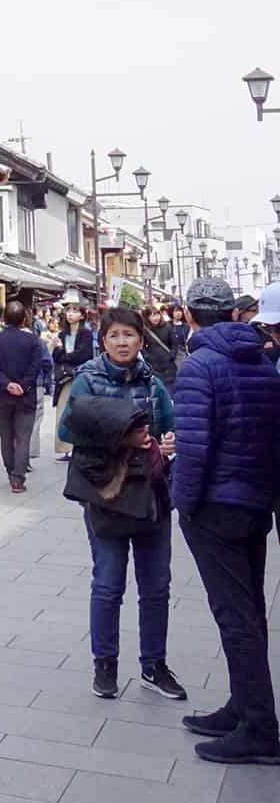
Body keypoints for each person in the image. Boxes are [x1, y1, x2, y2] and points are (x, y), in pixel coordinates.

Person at [172, 275, 280, 765]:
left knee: (235, 616)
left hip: (215, 504)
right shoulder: (262, 362)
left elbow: (193, 450)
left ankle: (259, 726)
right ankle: (243, 705)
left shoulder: (200, 366)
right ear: (235, 315)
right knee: (249, 609)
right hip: (255, 501)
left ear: (191, 315)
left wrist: (183, 503)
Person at [60, 307, 183, 702]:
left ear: (141, 339)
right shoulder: (87, 380)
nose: (122, 343)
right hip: (106, 493)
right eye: (114, 336)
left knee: (156, 586)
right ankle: (106, 663)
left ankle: (154, 665)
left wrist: (170, 441)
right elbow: (68, 429)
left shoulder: (153, 382)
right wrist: (123, 435)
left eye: (129, 335)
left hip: (150, 493)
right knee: (109, 583)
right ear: (103, 340)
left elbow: (170, 424)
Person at [0, 301, 52, 492]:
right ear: (24, 319)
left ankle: (10, 470)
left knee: (6, 437)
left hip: (2, 396)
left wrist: (6, 384)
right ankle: (18, 478)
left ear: (4, 319)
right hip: (25, 395)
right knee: (23, 437)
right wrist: (22, 385)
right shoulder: (33, 341)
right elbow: (36, 366)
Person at [52, 301, 96, 458]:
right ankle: (65, 448)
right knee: (63, 411)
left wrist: (64, 355)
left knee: (81, 411)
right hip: (65, 378)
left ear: (82, 315)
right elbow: (56, 357)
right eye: (68, 311)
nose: (70, 313)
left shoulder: (86, 334)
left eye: (74, 311)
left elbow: (83, 355)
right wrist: (61, 353)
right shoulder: (61, 335)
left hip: (81, 375)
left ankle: (81, 445)